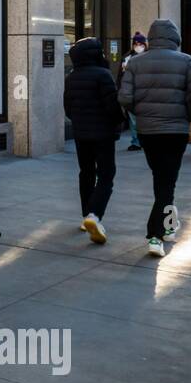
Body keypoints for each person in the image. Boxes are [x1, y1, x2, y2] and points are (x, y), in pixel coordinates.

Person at [117, 19, 191, 258]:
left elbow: (124, 98)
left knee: (162, 179)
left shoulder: (135, 63)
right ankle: (155, 235)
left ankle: (167, 226)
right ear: (174, 38)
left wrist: (141, 114)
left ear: (150, 38)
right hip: (176, 131)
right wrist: (188, 115)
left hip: (148, 132)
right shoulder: (187, 61)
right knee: (168, 181)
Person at [63, 37, 124, 245]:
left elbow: (68, 108)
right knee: (107, 174)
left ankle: (85, 215)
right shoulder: (103, 75)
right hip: (103, 134)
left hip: (81, 133)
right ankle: (94, 215)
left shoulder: (72, 77)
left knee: (86, 172)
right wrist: (119, 122)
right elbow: (112, 106)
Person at [118, 32, 147, 151]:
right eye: (135, 43)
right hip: (131, 92)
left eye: (140, 43)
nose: (138, 46)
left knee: (142, 119)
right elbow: (121, 75)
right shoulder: (127, 57)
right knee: (133, 119)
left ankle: (143, 140)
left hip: (145, 93)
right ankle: (136, 141)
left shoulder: (149, 56)